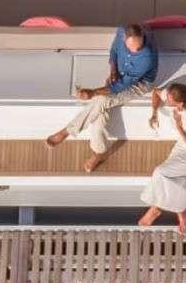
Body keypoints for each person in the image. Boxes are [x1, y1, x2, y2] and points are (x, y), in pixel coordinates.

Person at [46, 24, 158, 172]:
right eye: (131, 48)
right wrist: (113, 71)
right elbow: (114, 51)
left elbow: (122, 86)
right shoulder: (121, 32)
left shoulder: (146, 57)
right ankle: (98, 152)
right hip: (120, 75)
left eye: (138, 48)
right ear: (124, 38)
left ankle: (68, 131)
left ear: (143, 38)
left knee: (102, 100)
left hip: (139, 83)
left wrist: (93, 92)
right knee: (100, 107)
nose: (135, 51)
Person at [139, 82, 186, 235]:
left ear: (179, 102)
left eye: (169, 100)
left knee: (160, 172)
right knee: (176, 176)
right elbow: (155, 92)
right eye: (167, 97)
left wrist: (179, 128)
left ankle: (158, 209)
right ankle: (181, 212)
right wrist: (154, 112)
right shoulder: (174, 97)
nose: (166, 101)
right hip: (184, 146)